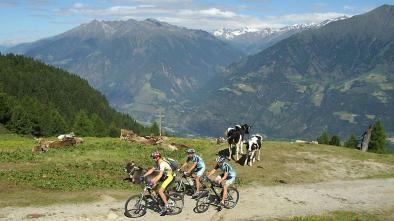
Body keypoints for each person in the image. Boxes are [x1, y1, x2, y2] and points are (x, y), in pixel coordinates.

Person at [142, 151, 173, 216]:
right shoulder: (157, 162)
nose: (153, 159)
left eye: (154, 157)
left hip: (169, 177)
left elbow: (160, 174)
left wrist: (155, 181)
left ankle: (167, 205)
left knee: (160, 191)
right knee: (152, 182)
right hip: (165, 175)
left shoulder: (162, 163)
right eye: (153, 157)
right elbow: (151, 170)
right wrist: (143, 176)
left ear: (158, 157)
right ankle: (159, 197)